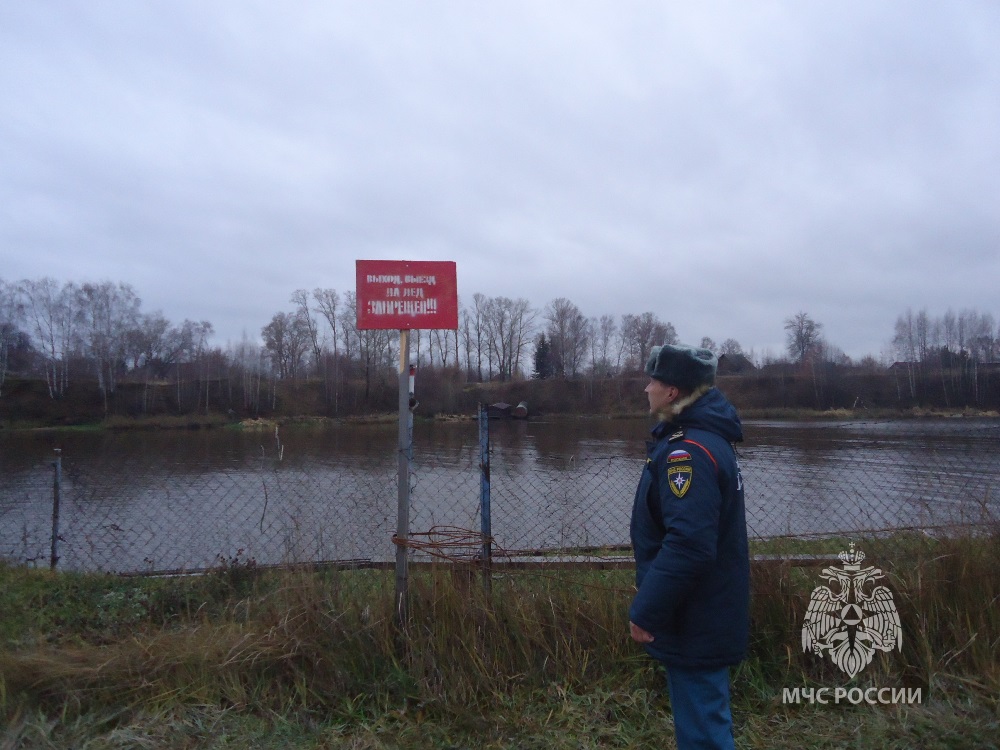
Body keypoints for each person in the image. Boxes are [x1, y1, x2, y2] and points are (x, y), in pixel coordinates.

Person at [628, 343, 749, 750]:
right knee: (702, 720)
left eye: (653, 381)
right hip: (702, 611)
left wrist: (647, 609)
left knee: (703, 733)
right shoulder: (703, 440)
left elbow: (689, 545)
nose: (646, 389)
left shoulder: (688, 453)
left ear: (673, 391)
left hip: (695, 615)